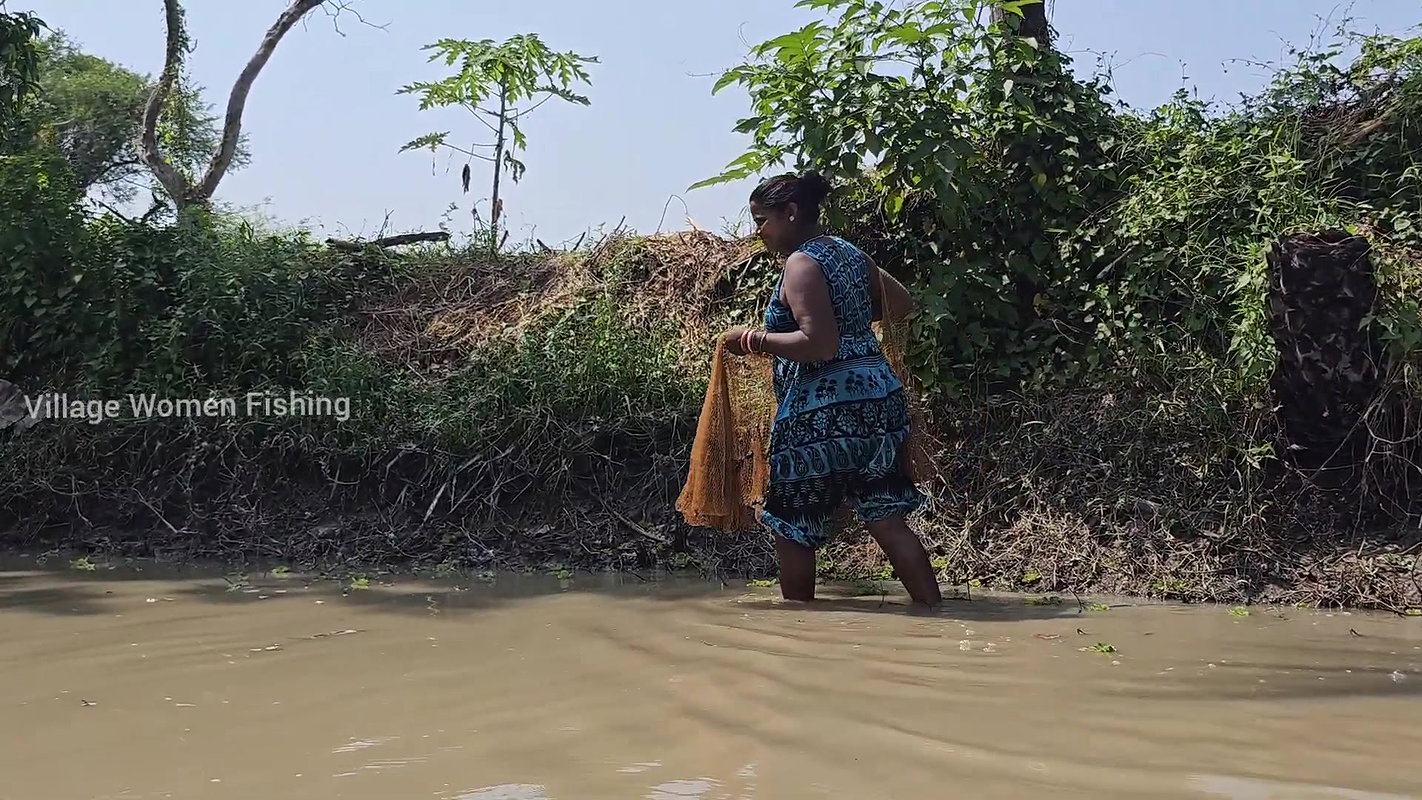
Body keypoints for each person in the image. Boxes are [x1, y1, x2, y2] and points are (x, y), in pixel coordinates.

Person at [720, 170, 943, 609]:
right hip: (879, 402)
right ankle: (935, 614)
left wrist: (750, 339)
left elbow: (818, 345)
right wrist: (853, 323)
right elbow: (901, 304)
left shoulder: (801, 263)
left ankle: (800, 629)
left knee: (793, 525)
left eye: (762, 219)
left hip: (823, 414)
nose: (758, 232)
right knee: (887, 516)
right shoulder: (849, 253)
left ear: (791, 212)